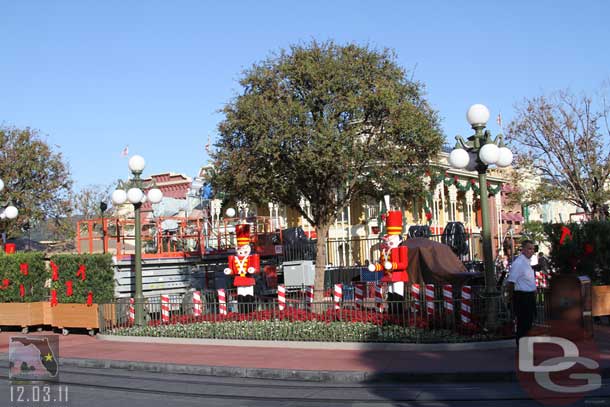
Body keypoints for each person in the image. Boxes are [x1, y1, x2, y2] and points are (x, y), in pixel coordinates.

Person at [368, 210, 408, 314]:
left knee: (397, 293)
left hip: (398, 276)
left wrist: (392, 265)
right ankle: (392, 312)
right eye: (386, 241)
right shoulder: (384, 251)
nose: (386, 242)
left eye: (389, 241)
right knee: (390, 293)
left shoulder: (401, 248)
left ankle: (399, 313)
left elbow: (404, 264)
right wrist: (375, 267)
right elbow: (382, 265)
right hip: (389, 276)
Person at [506, 240, 537, 344]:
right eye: (529, 248)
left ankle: (526, 348)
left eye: (533, 249)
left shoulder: (527, 262)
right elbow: (511, 282)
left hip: (529, 296)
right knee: (523, 324)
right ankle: (522, 349)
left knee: (528, 323)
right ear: (522, 249)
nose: (531, 251)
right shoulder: (518, 263)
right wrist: (510, 298)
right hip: (522, 297)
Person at [224, 224, 260, 313]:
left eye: (243, 250)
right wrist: (229, 271)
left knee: (249, 294)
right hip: (239, 279)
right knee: (240, 295)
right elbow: (232, 269)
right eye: (239, 250)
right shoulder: (234, 258)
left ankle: (250, 310)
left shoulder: (251, 257)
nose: (241, 252)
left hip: (248, 278)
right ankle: (242, 310)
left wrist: (252, 270)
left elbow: (256, 268)